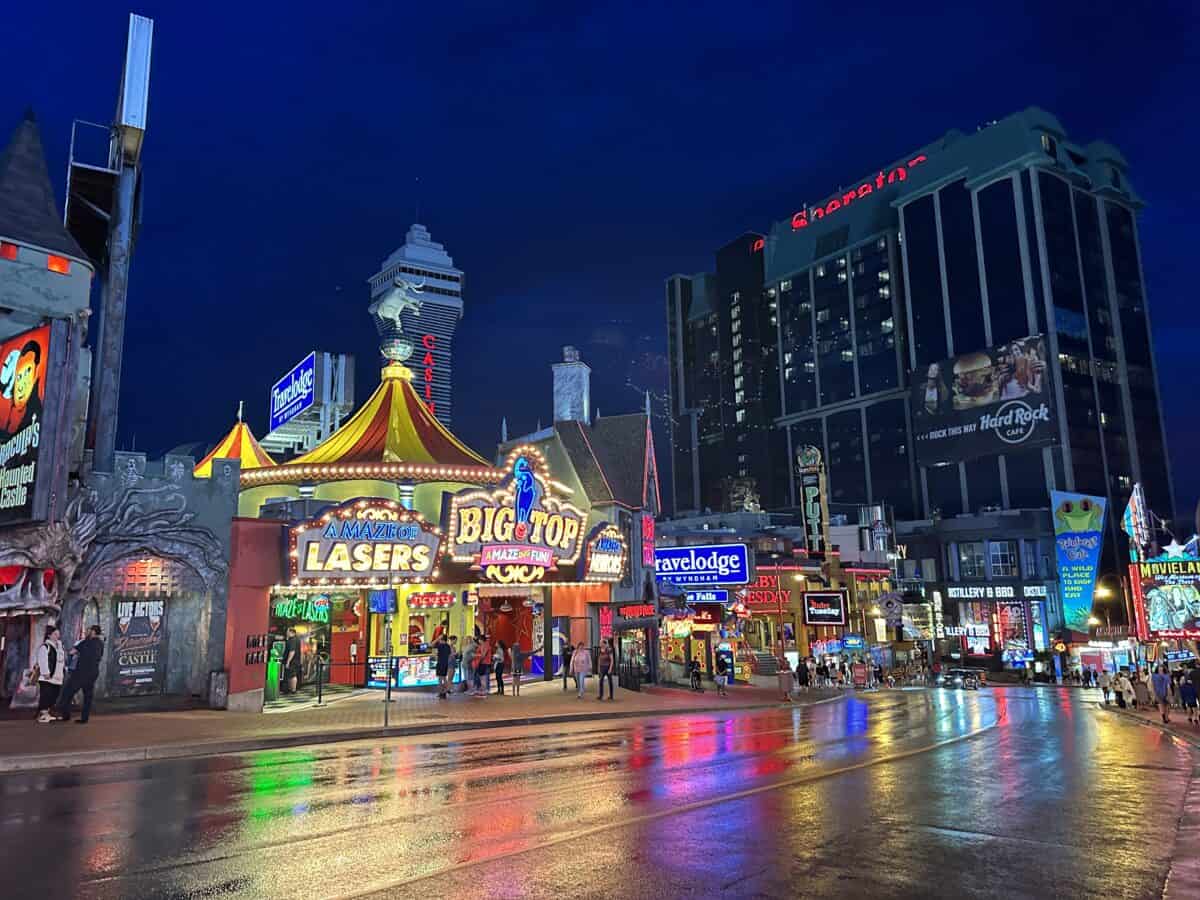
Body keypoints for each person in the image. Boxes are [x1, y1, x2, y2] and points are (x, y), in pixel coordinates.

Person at [57, 625, 104, 724]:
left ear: (93, 632)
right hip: (93, 672)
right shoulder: (100, 643)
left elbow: (72, 652)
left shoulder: (85, 642)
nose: (86, 631)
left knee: (67, 693)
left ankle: (65, 715)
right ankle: (84, 718)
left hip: (81, 673)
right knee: (88, 696)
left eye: (88, 630)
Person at [35, 624, 65, 723]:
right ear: (49, 635)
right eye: (55, 634)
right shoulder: (45, 647)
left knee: (53, 696)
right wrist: (45, 672)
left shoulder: (60, 647)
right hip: (47, 677)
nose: (57, 636)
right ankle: (42, 714)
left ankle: (47, 712)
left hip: (58, 677)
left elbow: (61, 661)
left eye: (58, 634)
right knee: (46, 696)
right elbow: (42, 660)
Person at [434, 634, 454, 699]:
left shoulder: (439, 645)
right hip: (445, 664)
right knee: (444, 678)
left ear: (441, 639)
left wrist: (437, 638)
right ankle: (444, 692)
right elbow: (451, 654)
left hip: (440, 663)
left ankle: (441, 693)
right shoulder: (448, 646)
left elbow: (431, 645)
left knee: (440, 679)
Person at [283, 627, 302, 694]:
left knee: (292, 675)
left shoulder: (293, 640)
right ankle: (291, 689)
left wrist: (288, 661)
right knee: (291, 675)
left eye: (287, 631)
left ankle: (293, 690)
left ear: (291, 632)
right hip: (296, 660)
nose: (286, 633)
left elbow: (292, 651)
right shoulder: (296, 639)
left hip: (293, 661)